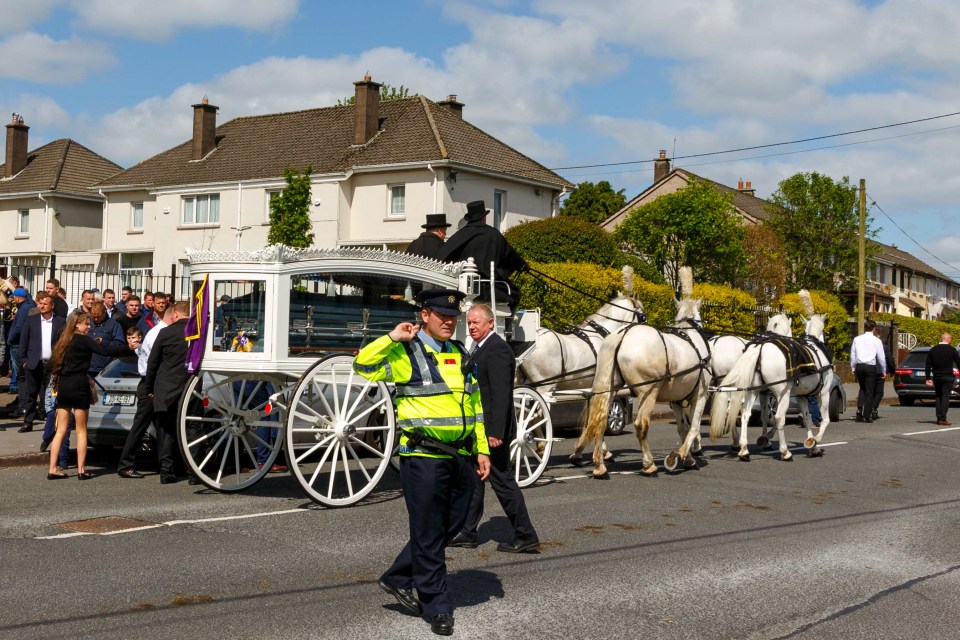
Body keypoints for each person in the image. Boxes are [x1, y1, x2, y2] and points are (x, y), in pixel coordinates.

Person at [354, 288, 490, 636]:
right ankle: (437, 606)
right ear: (424, 315)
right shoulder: (405, 351)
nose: (449, 321)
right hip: (423, 456)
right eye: (442, 314)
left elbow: (474, 405)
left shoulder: (460, 353)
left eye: (453, 316)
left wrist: (481, 448)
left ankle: (398, 576)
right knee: (428, 531)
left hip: (459, 455)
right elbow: (363, 366)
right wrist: (391, 337)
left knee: (455, 522)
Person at [450, 303, 539, 553]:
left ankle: (526, 534)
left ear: (491, 323)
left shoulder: (497, 349)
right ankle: (468, 531)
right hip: (479, 430)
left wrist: (496, 433)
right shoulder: (479, 348)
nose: (471, 327)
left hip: (492, 433)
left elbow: (501, 395)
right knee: (474, 481)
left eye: (476, 322)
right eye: (469, 323)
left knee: (503, 482)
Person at [46, 312, 133, 480]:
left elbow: (50, 365)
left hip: (64, 385)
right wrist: (128, 346)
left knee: (61, 430)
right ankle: (81, 469)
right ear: (77, 324)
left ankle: (52, 468)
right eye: (86, 323)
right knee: (81, 430)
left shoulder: (63, 341)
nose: (89, 326)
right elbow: (105, 352)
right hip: (79, 384)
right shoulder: (84, 340)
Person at [438, 200, 529, 311]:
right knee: (515, 293)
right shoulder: (493, 234)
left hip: (461, 288)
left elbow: (442, 257)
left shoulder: (459, 235)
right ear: (484, 217)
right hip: (490, 288)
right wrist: (523, 266)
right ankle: (507, 326)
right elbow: (510, 256)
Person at [117, 307, 170, 479]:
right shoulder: (158, 333)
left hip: (152, 382)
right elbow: (151, 361)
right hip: (149, 382)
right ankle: (125, 465)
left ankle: (165, 465)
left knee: (161, 425)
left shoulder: (156, 332)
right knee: (141, 425)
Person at [144, 301, 193, 484]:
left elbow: (153, 363)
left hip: (166, 387)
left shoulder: (165, 332)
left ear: (175, 315)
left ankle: (166, 471)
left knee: (165, 431)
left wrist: (149, 387)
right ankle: (191, 472)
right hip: (190, 388)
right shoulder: (196, 334)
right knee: (190, 430)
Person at [18, 292, 65, 434]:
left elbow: (63, 343)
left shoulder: (60, 321)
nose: (41, 306)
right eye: (40, 303)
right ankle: (28, 422)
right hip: (34, 362)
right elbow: (23, 341)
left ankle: (53, 423)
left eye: (45, 304)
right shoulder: (31, 319)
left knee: (52, 395)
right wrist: (24, 360)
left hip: (52, 364)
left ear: (52, 306)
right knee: (31, 393)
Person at [850, 320, 885, 423]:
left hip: (859, 366)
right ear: (874, 329)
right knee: (869, 391)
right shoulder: (876, 341)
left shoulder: (857, 339)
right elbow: (881, 357)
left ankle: (859, 410)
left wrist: (853, 368)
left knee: (862, 388)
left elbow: (853, 355)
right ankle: (866, 415)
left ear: (865, 328)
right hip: (870, 367)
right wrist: (883, 370)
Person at [7, 287, 36, 415]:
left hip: (17, 345)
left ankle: (23, 406)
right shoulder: (30, 306)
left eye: (14, 297)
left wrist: (10, 339)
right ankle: (24, 404)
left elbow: (19, 327)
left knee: (21, 377)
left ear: (18, 298)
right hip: (22, 345)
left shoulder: (24, 309)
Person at [924, 333, 960, 426]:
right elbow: (958, 362)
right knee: (945, 397)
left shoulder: (933, 350)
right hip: (948, 376)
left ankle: (939, 417)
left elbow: (928, 365)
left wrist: (928, 377)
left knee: (938, 396)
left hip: (937, 377)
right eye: (951, 339)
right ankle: (943, 418)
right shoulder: (952, 350)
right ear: (948, 339)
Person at [870, 339, 896, 420]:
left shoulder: (867, 346)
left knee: (869, 391)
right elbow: (889, 359)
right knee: (879, 392)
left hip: (869, 370)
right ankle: (873, 408)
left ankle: (865, 409)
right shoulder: (884, 347)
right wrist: (892, 371)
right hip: (880, 371)